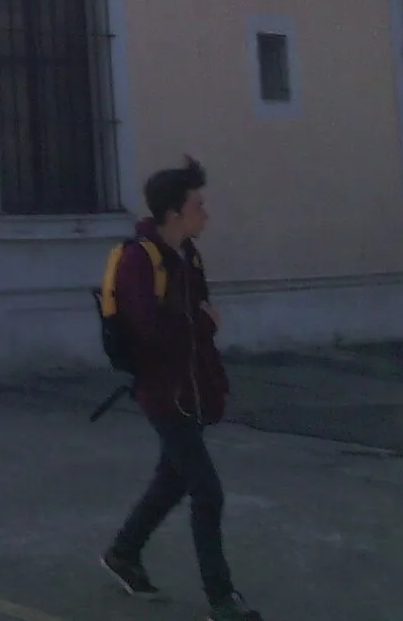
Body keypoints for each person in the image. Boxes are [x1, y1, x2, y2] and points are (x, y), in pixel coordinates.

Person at [100, 156, 262, 620]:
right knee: (207, 491)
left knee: (172, 482)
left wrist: (202, 338)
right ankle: (222, 599)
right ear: (174, 212)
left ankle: (123, 552)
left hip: (192, 389)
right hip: (163, 394)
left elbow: (194, 321)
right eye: (198, 205)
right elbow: (147, 331)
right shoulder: (139, 260)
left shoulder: (188, 254)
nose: (205, 213)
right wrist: (199, 326)